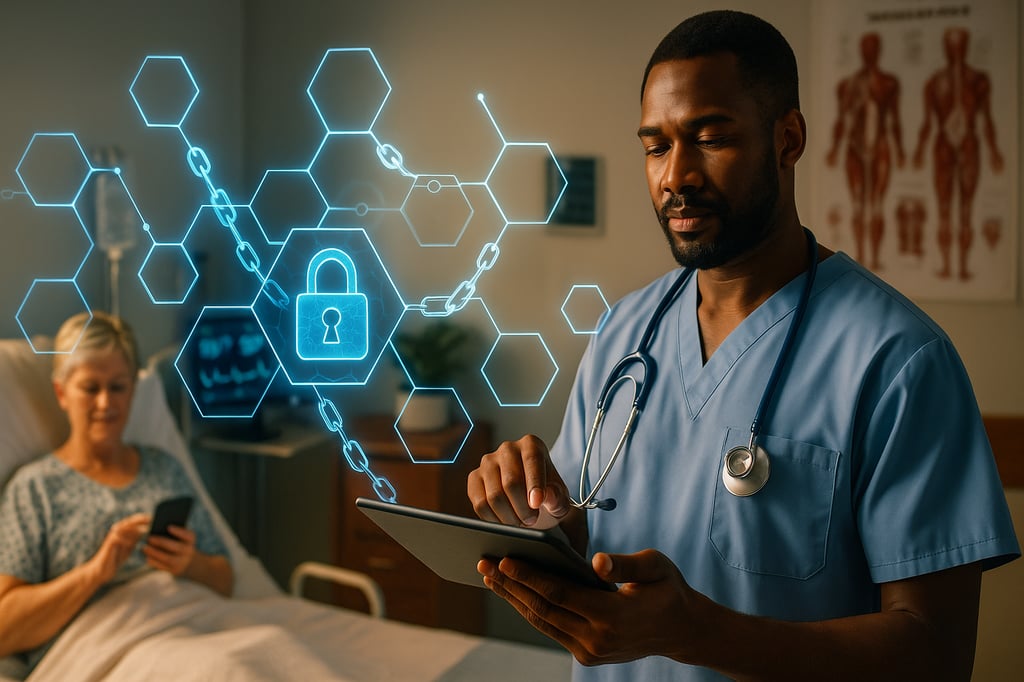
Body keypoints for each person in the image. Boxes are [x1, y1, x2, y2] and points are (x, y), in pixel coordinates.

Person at [467, 10, 1018, 681]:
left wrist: (698, 634)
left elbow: (936, 653)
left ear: (787, 140)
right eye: (656, 146)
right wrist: (546, 521)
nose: (676, 176)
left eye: (710, 138)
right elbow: (589, 540)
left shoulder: (898, 361)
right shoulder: (622, 334)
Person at [0, 311, 233, 670]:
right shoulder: (35, 490)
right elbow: (5, 628)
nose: (106, 403)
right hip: (115, 650)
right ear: (62, 393)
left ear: (133, 390)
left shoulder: (164, 468)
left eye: (118, 387)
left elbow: (225, 579)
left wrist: (192, 564)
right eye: (91, 388)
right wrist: (94, 574)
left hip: (195, 627)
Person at [912, 27, 1004, 281]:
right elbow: (928, 122)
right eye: (950, 45)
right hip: (942, 146)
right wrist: (919, 149)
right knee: (943, 209)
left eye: (959, 44)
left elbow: (987, 119)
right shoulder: (934, 83)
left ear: (965, 46)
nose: (955, 50)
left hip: (970, 145)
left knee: (965, 209)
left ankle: (962, 266)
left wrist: (994, 150)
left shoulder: (978, 81)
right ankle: (945, 265)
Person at [825, 32, 905, 270]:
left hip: (879, 144)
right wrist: (835, 149)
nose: (870, 53)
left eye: (874, 48)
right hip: (855, 147)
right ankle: (861, 256)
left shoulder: (889, 83)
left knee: (878, 203)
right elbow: (841, 120)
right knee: (859, 204)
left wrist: (900, 150)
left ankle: (876, 258)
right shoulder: (848, 86)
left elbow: (894, 118)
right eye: (866, 48)